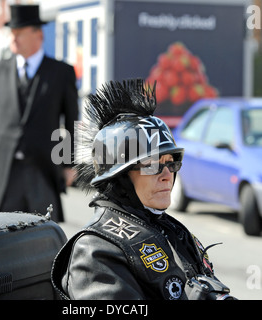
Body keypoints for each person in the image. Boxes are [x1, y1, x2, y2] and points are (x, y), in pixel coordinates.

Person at [51, 79, 235, 300]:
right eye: (153, 165)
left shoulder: (170, 229)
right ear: (121, 177)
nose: (167, 175)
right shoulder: (95, 251)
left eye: (172, 163)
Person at [0, 4, 78, 222]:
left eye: (19, 33)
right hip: (7, 168)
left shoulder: (61, 72)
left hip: (43, 167)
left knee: (44, 233)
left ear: (38, 35)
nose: (13, 39)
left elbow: (70, 121)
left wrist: (69, 163)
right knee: (3, 231)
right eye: (12, 33)